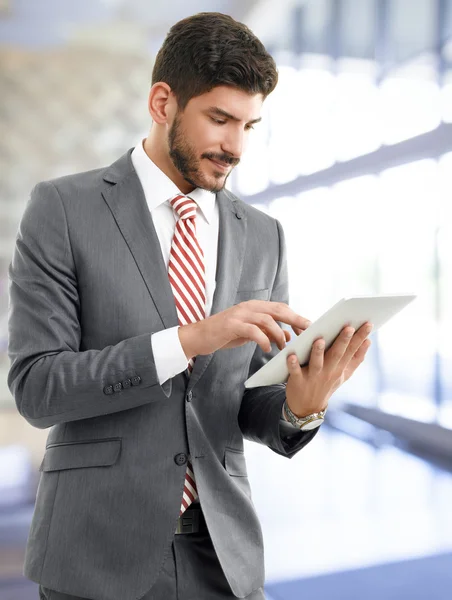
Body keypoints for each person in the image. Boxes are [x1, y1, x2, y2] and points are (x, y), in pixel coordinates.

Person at [7, 11, 372, 600]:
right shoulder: (62, 210)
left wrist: (300, 407)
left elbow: (247, 401)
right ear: (162, 103)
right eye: (220, 119)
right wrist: (190, 339)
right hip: (97, 555)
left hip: (223, 557)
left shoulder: (263, 234)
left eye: (250, 125)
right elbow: (38, 389)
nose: (236, 146)